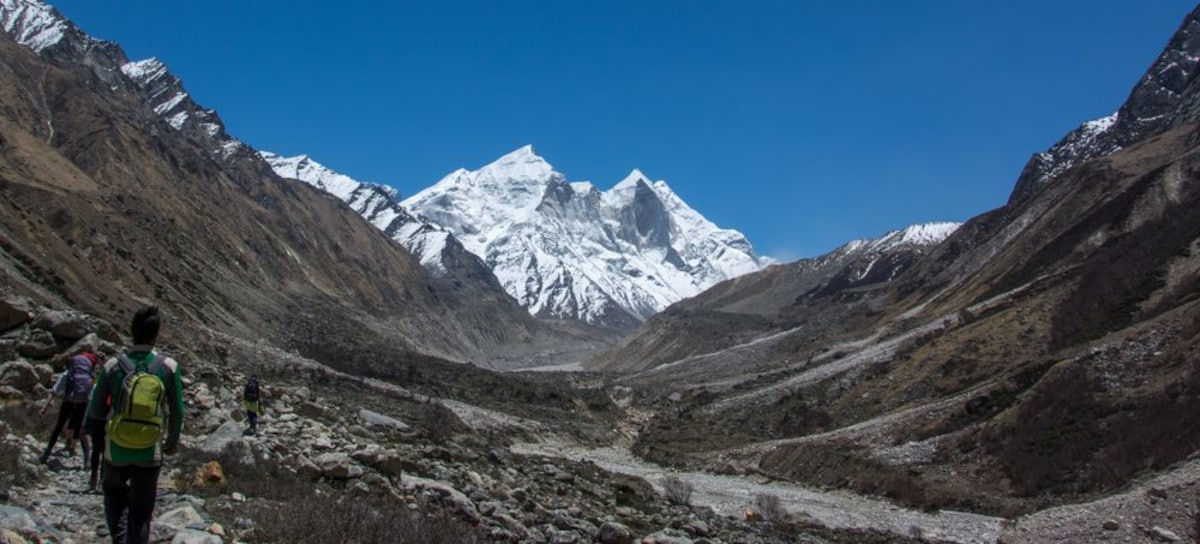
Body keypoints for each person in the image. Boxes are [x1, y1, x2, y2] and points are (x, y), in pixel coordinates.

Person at [87, 306, 184, 544]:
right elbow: (178, 412)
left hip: (115, 450)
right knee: (141, 515)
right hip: (150, 451)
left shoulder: (112, 366)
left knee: (114, 499)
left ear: (132, 332)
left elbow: (96, 411)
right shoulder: (169, 366)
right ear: (156, 333)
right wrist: (171, 444)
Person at [39, 351, 98, 466]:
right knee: (80, 430)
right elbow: (92, 393)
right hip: (83, 401)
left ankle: (47, 453)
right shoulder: (90, 376)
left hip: (68, 400)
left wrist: (44, 407)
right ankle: (86, 461)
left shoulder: (68, 373)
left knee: (58, 427)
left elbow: (54, 390)